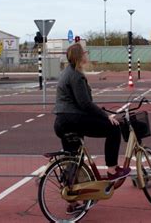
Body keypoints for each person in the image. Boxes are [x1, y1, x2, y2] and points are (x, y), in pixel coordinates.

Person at [54, 43, 131, 182]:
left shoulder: (66, 72)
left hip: (61, 122)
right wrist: (106, 116)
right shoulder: (76, 76)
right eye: (85, 53)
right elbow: (85, 104)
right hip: (73, 120)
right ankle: (112, 169)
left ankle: (73, 196)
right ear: (80, 57)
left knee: (74, 158)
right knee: (114, 129)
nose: (87, 54)